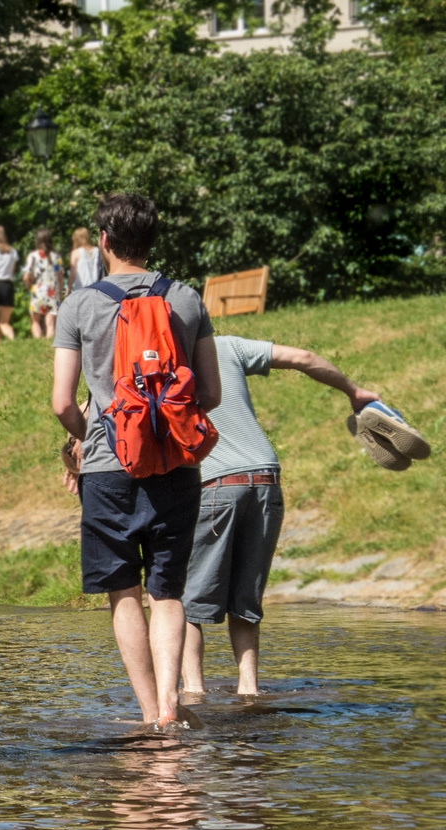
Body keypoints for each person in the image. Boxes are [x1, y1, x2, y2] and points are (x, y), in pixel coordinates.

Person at [51, 193, 221, 728]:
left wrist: (87, 438)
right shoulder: (187, 299)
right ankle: (173, 706)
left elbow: (61, 402)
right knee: (167, 592)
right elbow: (210, 393)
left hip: (108, 468)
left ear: (103, 241)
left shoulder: (79, 306)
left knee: (122, 591)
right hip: (176, 465)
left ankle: (151, 714)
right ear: (153, 240)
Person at [181, 338, 378, 696]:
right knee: (245, 599)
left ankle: (195, 695)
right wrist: (354, 390)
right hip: (265, 478)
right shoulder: (226, 346)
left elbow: (92, 406)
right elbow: (303, 356)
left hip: (214, 485)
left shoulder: (161, 359)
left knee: (187, 604)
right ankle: (249, 690)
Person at [23, 228, 67, 340]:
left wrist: (28, 286)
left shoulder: (32, 256)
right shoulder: (56, 257)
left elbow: (26, 277)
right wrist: (60, 294)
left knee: (35, 322)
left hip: (37, 292)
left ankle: (38, 348)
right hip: (53, 293)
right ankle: (48, 348)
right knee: (51, 325)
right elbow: (60, 278)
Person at [70, 226, 103, 291]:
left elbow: (73, 273)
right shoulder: (96, 250)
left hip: (80, 289)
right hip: (95, 288)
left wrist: (68, 288)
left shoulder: (76, 252)